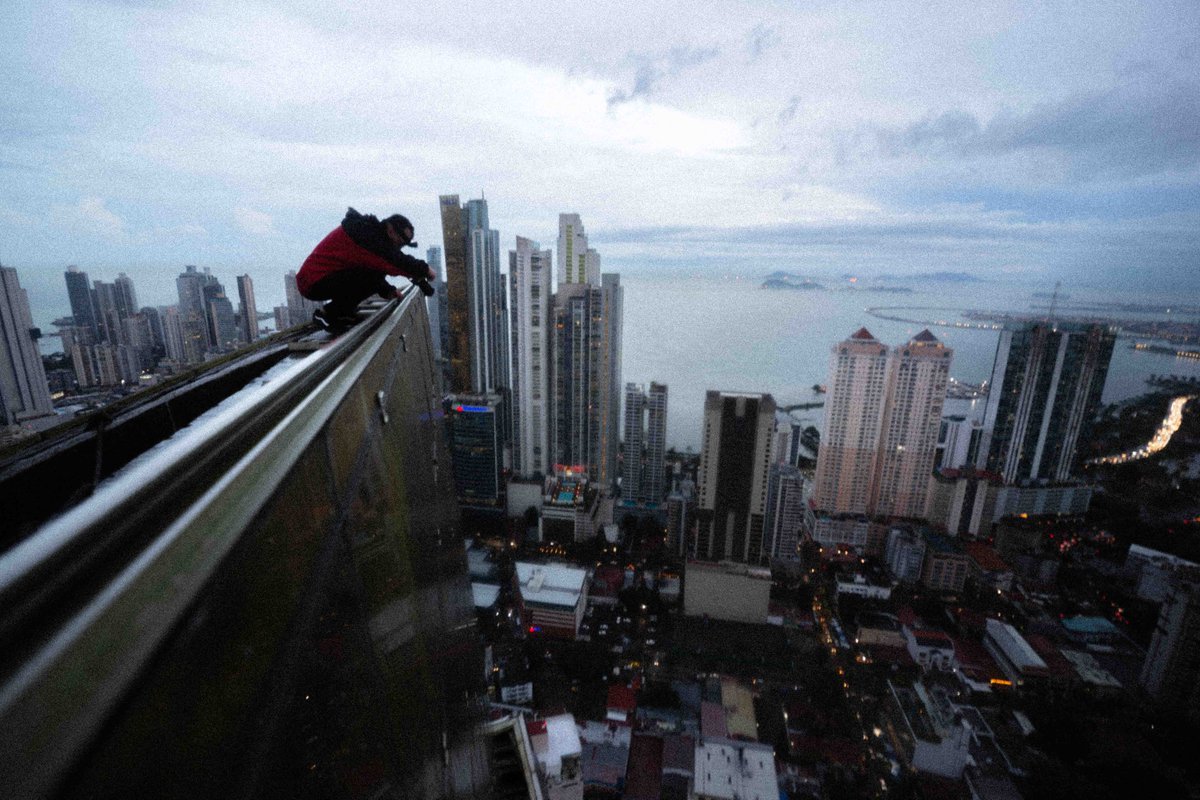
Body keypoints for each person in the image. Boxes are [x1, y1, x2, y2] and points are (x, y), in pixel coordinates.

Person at [297, 207, 436, 329]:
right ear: (390, 230)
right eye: (400, 242)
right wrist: (425, 270)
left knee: (376, 268)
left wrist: (388, 291)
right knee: (379, 267)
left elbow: (374, 269)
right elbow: (395, 260)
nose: (399, 247)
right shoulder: (368, 237)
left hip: (320, 278)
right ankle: (329, 314)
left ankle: (342, 312)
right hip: (313, 282)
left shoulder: (369, 234)